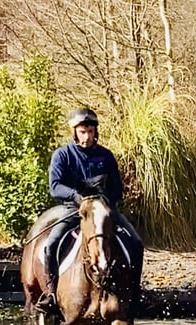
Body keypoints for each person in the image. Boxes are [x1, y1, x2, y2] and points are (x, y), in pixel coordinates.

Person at [35, 108, 144, 313]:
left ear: (95, 133)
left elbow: (117, 188)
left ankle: (135, 294)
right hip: (74, 209)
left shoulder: (106, 156)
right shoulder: (62, 155)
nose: (87, 136)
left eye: (90, 132)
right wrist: (77, 198)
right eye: (83, 132)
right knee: (52, 243)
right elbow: (55, 186)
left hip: (102, 210)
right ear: (75, 132)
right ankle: (50, 294)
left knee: (136, 243)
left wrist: (103, 202)